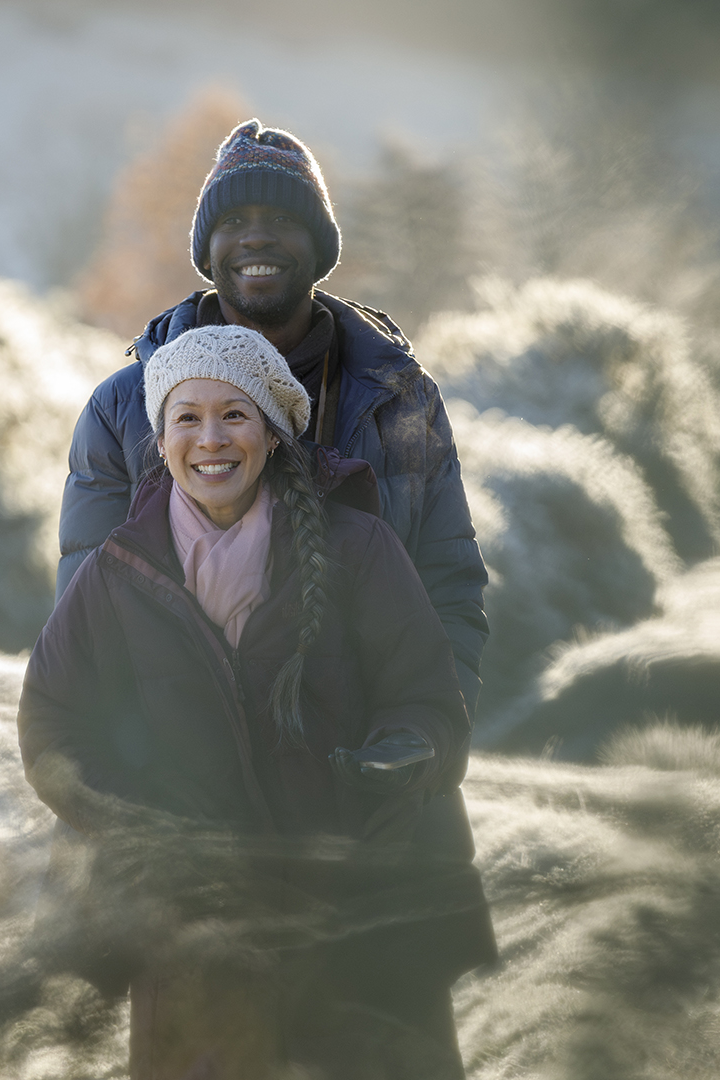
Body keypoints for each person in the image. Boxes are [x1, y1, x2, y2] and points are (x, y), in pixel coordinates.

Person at [20, 325, 495, 1079]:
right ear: (162, 436)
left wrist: (401, 755)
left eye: (235, 415)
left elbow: (426, 700)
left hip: (349, 910)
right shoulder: (117, 573)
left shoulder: (359, 549)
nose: (211, 438)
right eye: (187, 417)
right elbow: (53, 725)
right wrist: (131, 819)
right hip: (192, 934)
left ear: (274, 434)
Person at [57, 118, 489, 714]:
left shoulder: (399, 400)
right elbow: (87, 621)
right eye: (233, 222)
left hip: (363, 778)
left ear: (321, 250)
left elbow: (449, 585)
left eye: (283, 220)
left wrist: (427, 736)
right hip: (177, 769)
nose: (256, 239)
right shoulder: (122, 408)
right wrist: (130, 785)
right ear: (206, 253)